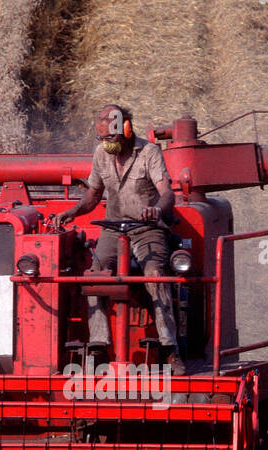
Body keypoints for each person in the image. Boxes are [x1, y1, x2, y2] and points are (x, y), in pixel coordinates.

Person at [54, 104, 185, 375]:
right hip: (113, 228)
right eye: (102, 139)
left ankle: (169, 348)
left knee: (154, 275)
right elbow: (93, 195)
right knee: (94, 276)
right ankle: (100, 346)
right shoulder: (101, 154)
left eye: (111, 138)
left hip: (148, 228)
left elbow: (167, 193)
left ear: (126, 129)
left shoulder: (149, 152)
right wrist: (72, 212)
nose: (107, 144)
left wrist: (157, 209)